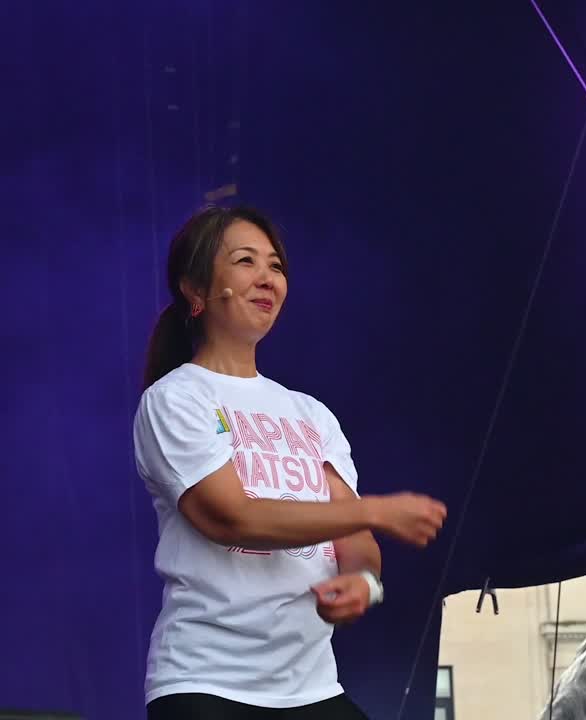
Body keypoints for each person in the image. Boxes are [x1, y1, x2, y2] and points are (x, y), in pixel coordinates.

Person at [133, 205, 448, 719]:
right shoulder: (176, 399)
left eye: (275, 266)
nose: (267, 278)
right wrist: (377, 510)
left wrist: (364, 582)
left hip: (312, 688)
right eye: (246, 261)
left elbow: (354, 540)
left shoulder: (310, 413)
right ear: (195, 290)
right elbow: (232, 517)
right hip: (207, 684)